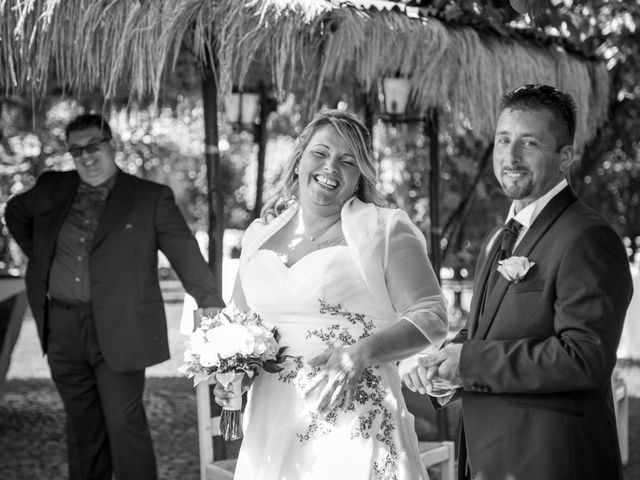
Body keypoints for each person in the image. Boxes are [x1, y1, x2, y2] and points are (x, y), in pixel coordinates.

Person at [404, 84, 634, 480]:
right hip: (489, 460)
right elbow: (493, 332)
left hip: (552, 462)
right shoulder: (499, 237)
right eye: (503, 140)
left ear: (565, 158)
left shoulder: (588, 236)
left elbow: (585, 358)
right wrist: (446, 369)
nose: (510, 156)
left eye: (529, 143)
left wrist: (469, 363)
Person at [213, 109, 448, 479]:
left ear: (360, 177)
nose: (330, 167)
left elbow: (432, 317)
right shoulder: (259, 233)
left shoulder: (385, 230)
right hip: (270, 419)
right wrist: (231, 373)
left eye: (347, 161)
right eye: (320, 153)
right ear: (299, 159)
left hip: (353, 417)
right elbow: (237, 323)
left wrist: (359, 355)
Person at [4, 113, 225, 480]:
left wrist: (212, 306)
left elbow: (186, 256)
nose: (86, 157)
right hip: (61, 327)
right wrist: (41, 257)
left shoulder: (149, 198)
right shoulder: (51, 188)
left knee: (124, 423)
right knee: (81, 428)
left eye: (93, 146)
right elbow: (14, 212)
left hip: (121, 324)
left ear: (112, 145)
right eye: (76, 151)